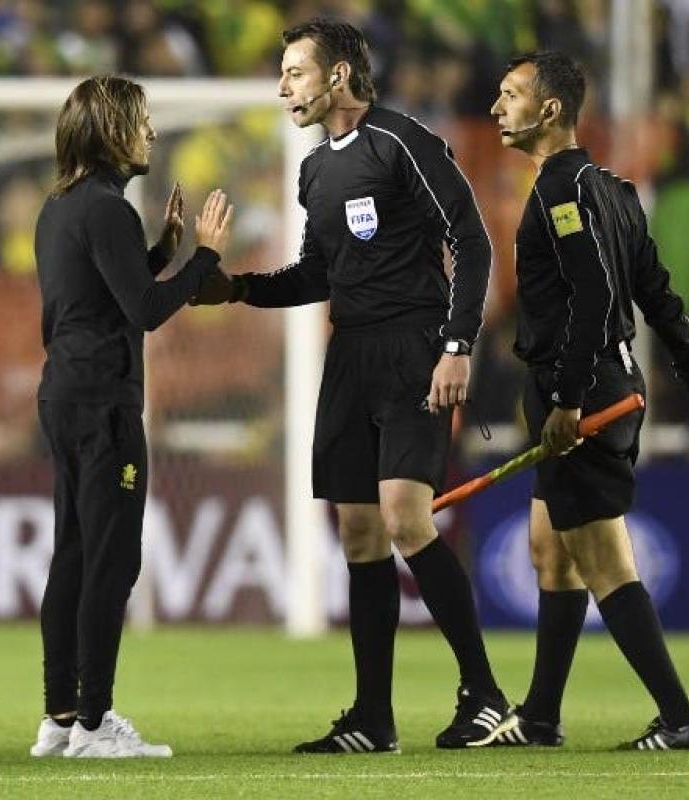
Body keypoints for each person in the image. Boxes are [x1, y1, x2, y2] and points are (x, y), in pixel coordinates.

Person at [192, 19, 514, 753]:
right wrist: (238, 289)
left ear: (337, 76)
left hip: (415, 348)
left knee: (406, 519)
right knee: (360, 533)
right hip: (351, 356)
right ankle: (373, 717)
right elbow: (318, 274)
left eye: (295, 72)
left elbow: (470, 239)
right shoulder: (313, 170)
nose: (282, 88)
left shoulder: (403, 141)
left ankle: (486, 695)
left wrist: (457, 345)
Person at [487, 51, 689, 751]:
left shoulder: (559, 192)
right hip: (604, 385)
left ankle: (680, 720)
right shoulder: (616, 192)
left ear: (550, 110)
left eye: (510, 95)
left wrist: (567, 400)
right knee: (550, 549)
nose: (496, 107)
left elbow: (595, 296)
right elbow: (658, 298)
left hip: (582, 395)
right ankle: (540, 716)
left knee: (603, 561)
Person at [28, 75, 233, 759]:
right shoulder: (110, 210)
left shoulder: (61, 205)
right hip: (103, 401)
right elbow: (145, 311)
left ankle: (60, 718)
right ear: (113, 131)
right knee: (112, 561)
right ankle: (94, 723)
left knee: (74, 553)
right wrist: (204, 256)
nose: (150, 133)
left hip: (63, 394)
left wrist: (163, 253)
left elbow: (106, 293)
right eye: (141, 121)